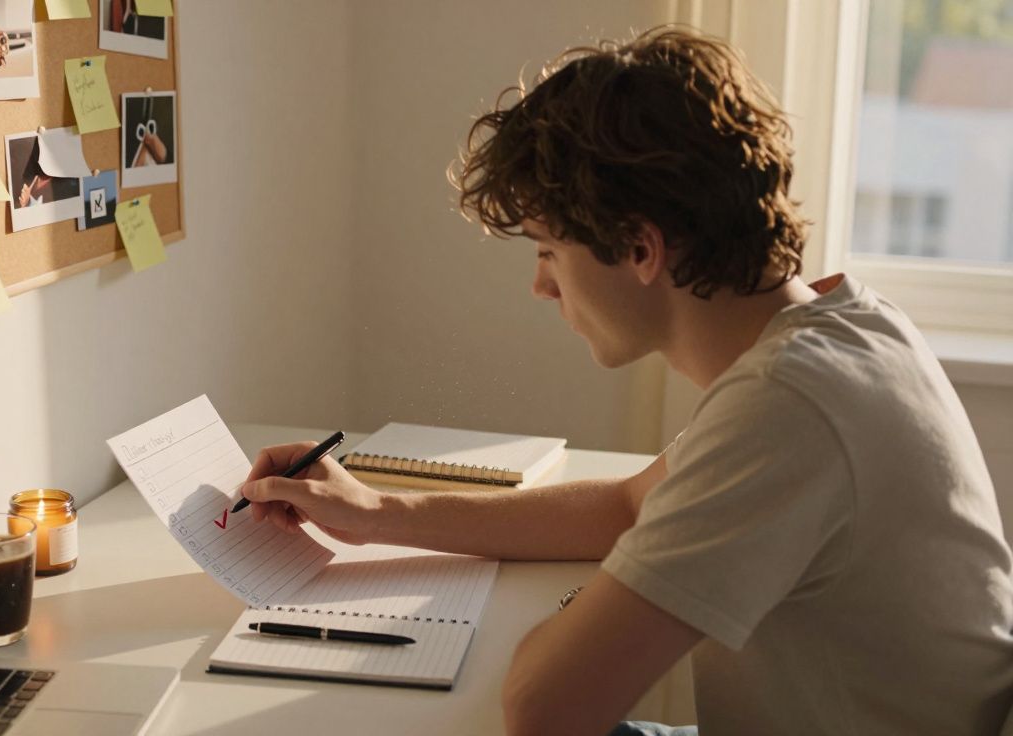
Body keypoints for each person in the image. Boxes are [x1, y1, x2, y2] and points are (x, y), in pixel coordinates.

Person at [238, 26, 1013, 736]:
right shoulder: (848, 323)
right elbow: (627, 504)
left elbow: (548, 709)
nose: (541, 288)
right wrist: (375, 511)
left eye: (548, 251)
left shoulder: (788, 409)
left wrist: (574, 614)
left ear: (640, 249)